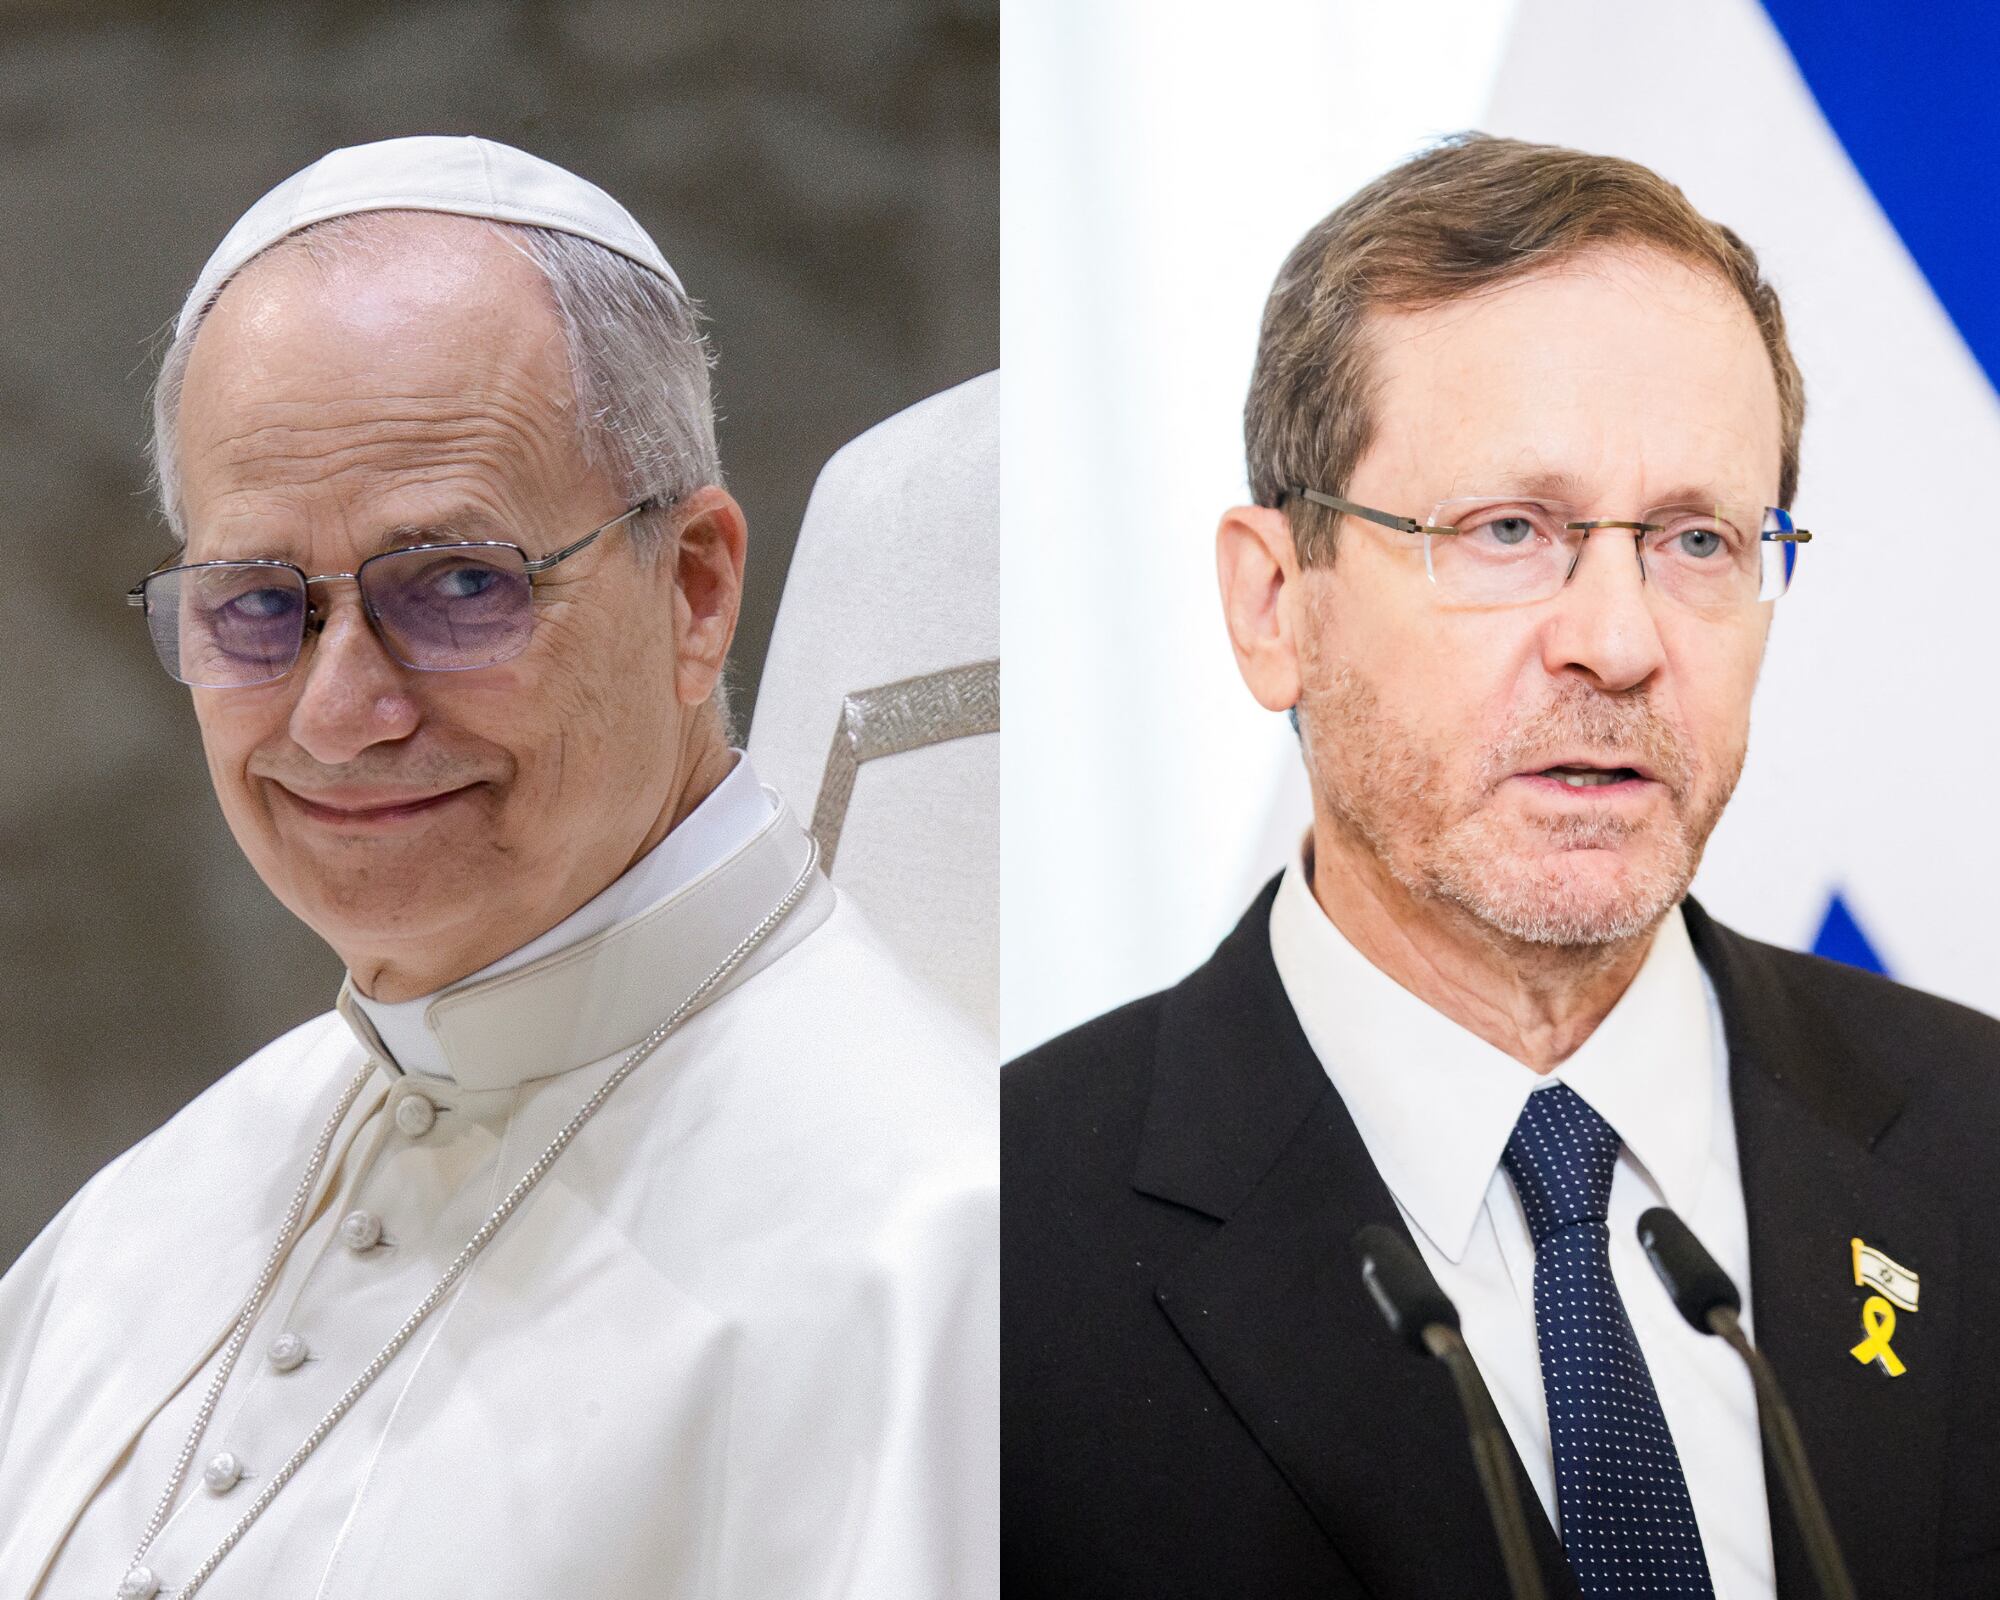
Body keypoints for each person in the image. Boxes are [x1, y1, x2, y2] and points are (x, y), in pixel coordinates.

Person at [1003, 133, 2000, 1599]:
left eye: (1699, 541)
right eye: (1511, 530)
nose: (1620, 638)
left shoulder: (1977, 1141)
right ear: (1276, 602)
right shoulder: (1012, 1248)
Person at [0, 136, 996, 1600]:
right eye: (257, 608)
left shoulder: (928, 1263)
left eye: (456, 585)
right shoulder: (131, 1235)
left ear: (697, 587)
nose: (342, 713)